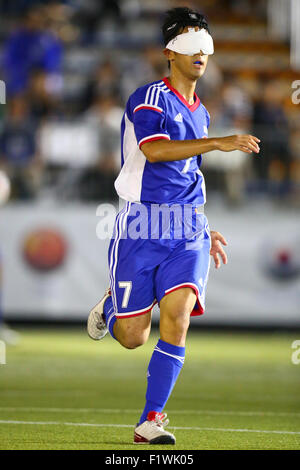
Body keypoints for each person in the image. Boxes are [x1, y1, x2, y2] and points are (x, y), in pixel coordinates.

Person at [87, 6, 260, 445]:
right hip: (140, 225)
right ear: (169, 50)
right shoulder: (149, 98)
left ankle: (150, 420)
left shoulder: (200, 111)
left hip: (187, 230)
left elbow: (188, 174)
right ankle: (113, 307)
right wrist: (220, 142)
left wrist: (205, 222)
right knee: (131, 337)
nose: (200, 48)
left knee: (178, 319)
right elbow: (157, 152)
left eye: (205, 39)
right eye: (189, 38)